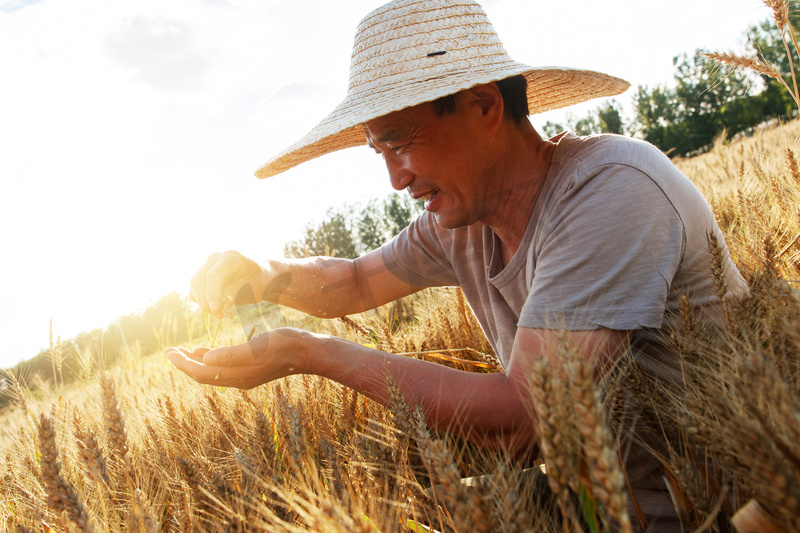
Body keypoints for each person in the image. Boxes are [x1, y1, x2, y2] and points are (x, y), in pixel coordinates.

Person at [166, 0, 747, 531]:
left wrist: (307, 352)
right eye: (380, 152)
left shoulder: (612, 190)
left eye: (401, 143)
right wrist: (262, 274)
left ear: (484, 105)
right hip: (589, 505)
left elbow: (528, 419)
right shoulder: (461, 222)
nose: (395, 179)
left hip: (715, 510)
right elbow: (356, 280)